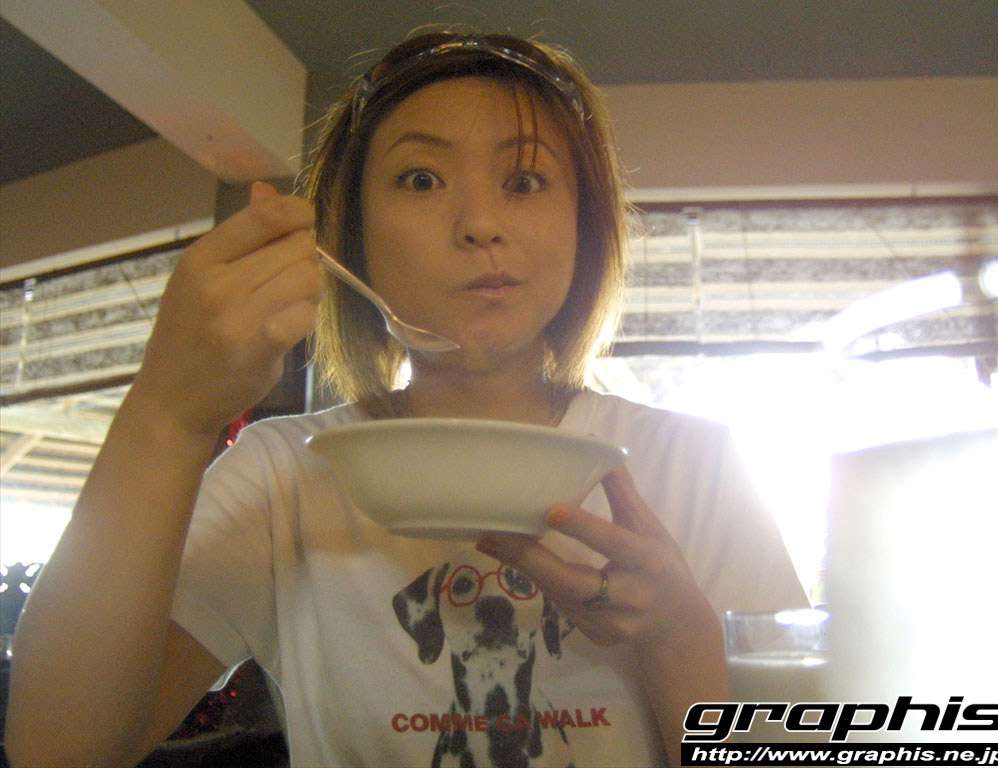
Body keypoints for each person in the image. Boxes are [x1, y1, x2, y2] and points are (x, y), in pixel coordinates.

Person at [5, 31, 807, 768]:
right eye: (421, 179)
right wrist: (167, 415)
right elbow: (59, 748)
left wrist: (679, 638)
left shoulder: (693, 464)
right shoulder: (286, 476)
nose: (479, 223)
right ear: (352, 236)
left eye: (525, 180)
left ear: (583, 224)